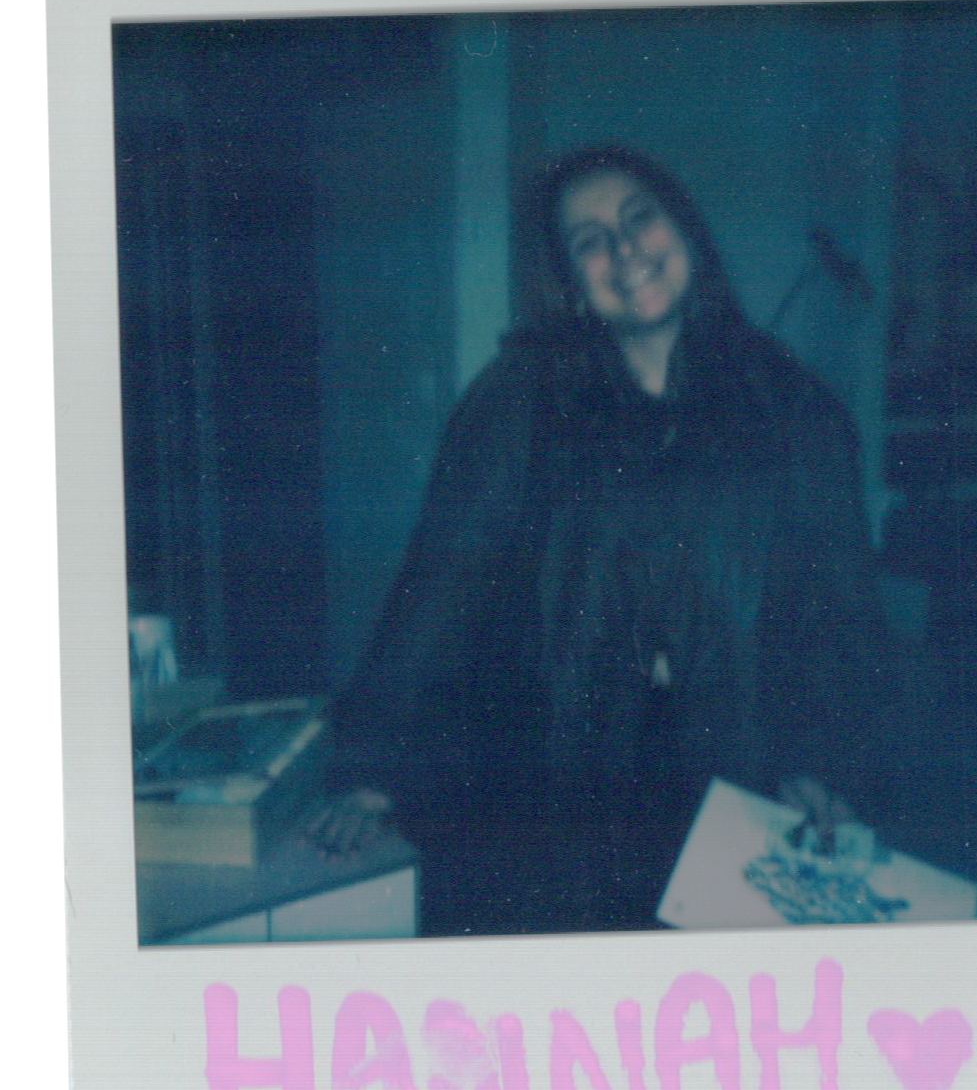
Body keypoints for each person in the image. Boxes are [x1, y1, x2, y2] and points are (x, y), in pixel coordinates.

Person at [310, 145, 895, 937]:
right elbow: (443, 586)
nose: (624, 250)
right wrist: (375, 766)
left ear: (684, 228)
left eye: (639, 218)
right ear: (569, 281)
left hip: (740, 767)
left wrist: (826, 762)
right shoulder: (517, 405)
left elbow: (839, 613)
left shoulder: (792, 408)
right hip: (556, 772)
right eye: (589, 241)